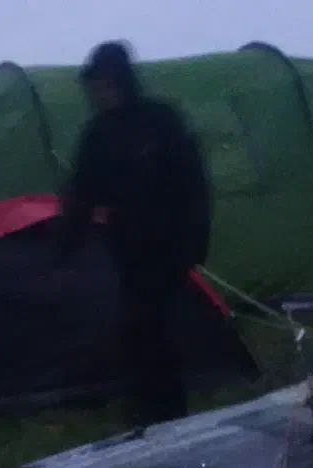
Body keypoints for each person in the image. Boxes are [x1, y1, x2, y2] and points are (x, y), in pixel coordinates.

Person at [60, 42, 212, 427]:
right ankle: (155, 408)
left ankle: (165, 412)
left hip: (167, 247)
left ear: (115, 82)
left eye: (99, 85)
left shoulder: (159, 123)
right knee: (142, 328)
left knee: (151, 326)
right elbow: (82, 192)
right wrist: (66, 241)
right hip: (131, 250)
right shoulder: (101, 133)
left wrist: (195, 240)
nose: (95, 95)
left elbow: (193, 184)